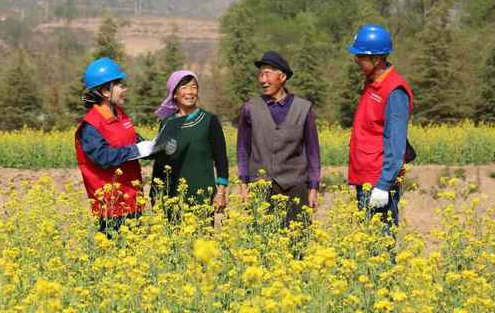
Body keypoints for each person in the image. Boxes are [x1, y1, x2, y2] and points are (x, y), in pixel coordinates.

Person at [237, 51, 321, 225]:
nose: (262, 79)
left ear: (282, 77)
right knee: (261, 244)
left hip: (295, 186)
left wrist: (313, 187)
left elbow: (313, 152)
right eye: (260, 74)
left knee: (296, 242)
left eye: (267, 73)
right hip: (260, 187)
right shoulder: (249, 108)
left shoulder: (303, 108)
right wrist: (244, 183)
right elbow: (243, 149)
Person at [74, 57, 155, 237]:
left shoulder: (121, 116)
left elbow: (134, 142)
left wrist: (156, 147)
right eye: (119, 84)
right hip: (111, 208)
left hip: (132, 200)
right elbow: (103, 157)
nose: (124, 89)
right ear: (105, 92)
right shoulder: (91, 125)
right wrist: (138, 150)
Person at [346, 24, 413, 235]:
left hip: (378, 180)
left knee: (380, 245)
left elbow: (396, 141)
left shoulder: (394, 90)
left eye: (362, 57)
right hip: (365, 176)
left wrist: (384, 185)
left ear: (378, 59)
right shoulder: (371, 83)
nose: (357, 60)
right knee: (368, 244)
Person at [150, 70, 229, 219]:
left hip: (203, 197)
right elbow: (160, 162)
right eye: (184, 87)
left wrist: (221, 192)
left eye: (194, 87)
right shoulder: (167, 123)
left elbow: (221, 159)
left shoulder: (209, 121)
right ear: (174, 94)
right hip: (173, 198)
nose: (190, 92)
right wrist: (154, 196)